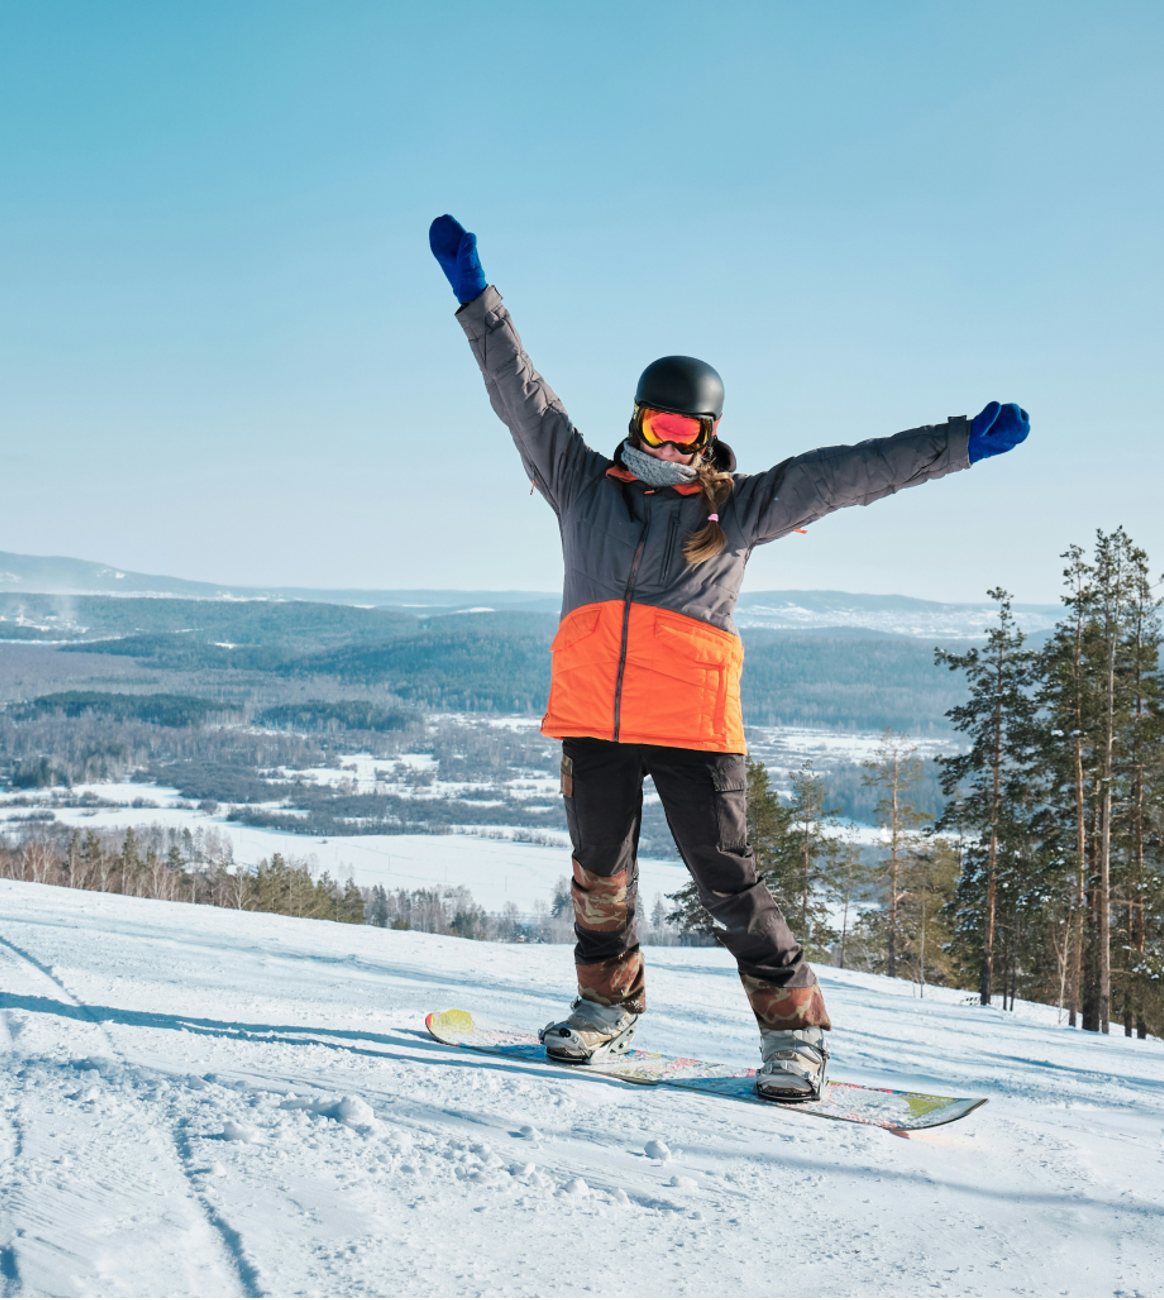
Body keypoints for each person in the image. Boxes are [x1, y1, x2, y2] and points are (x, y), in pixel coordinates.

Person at [428, 214, 1031, 1101]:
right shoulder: (579, 484)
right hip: (595, 720)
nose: (671, 442)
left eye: (687, 429)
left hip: (693, 728)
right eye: (659, 423)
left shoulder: (736, 510)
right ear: (639, 420)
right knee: (599, 880)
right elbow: (520, 394)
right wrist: (476, 296)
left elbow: (847, 473)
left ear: (708, 434)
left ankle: (794, 1035)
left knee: (728, 884)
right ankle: (606, 1007)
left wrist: (957, 444)